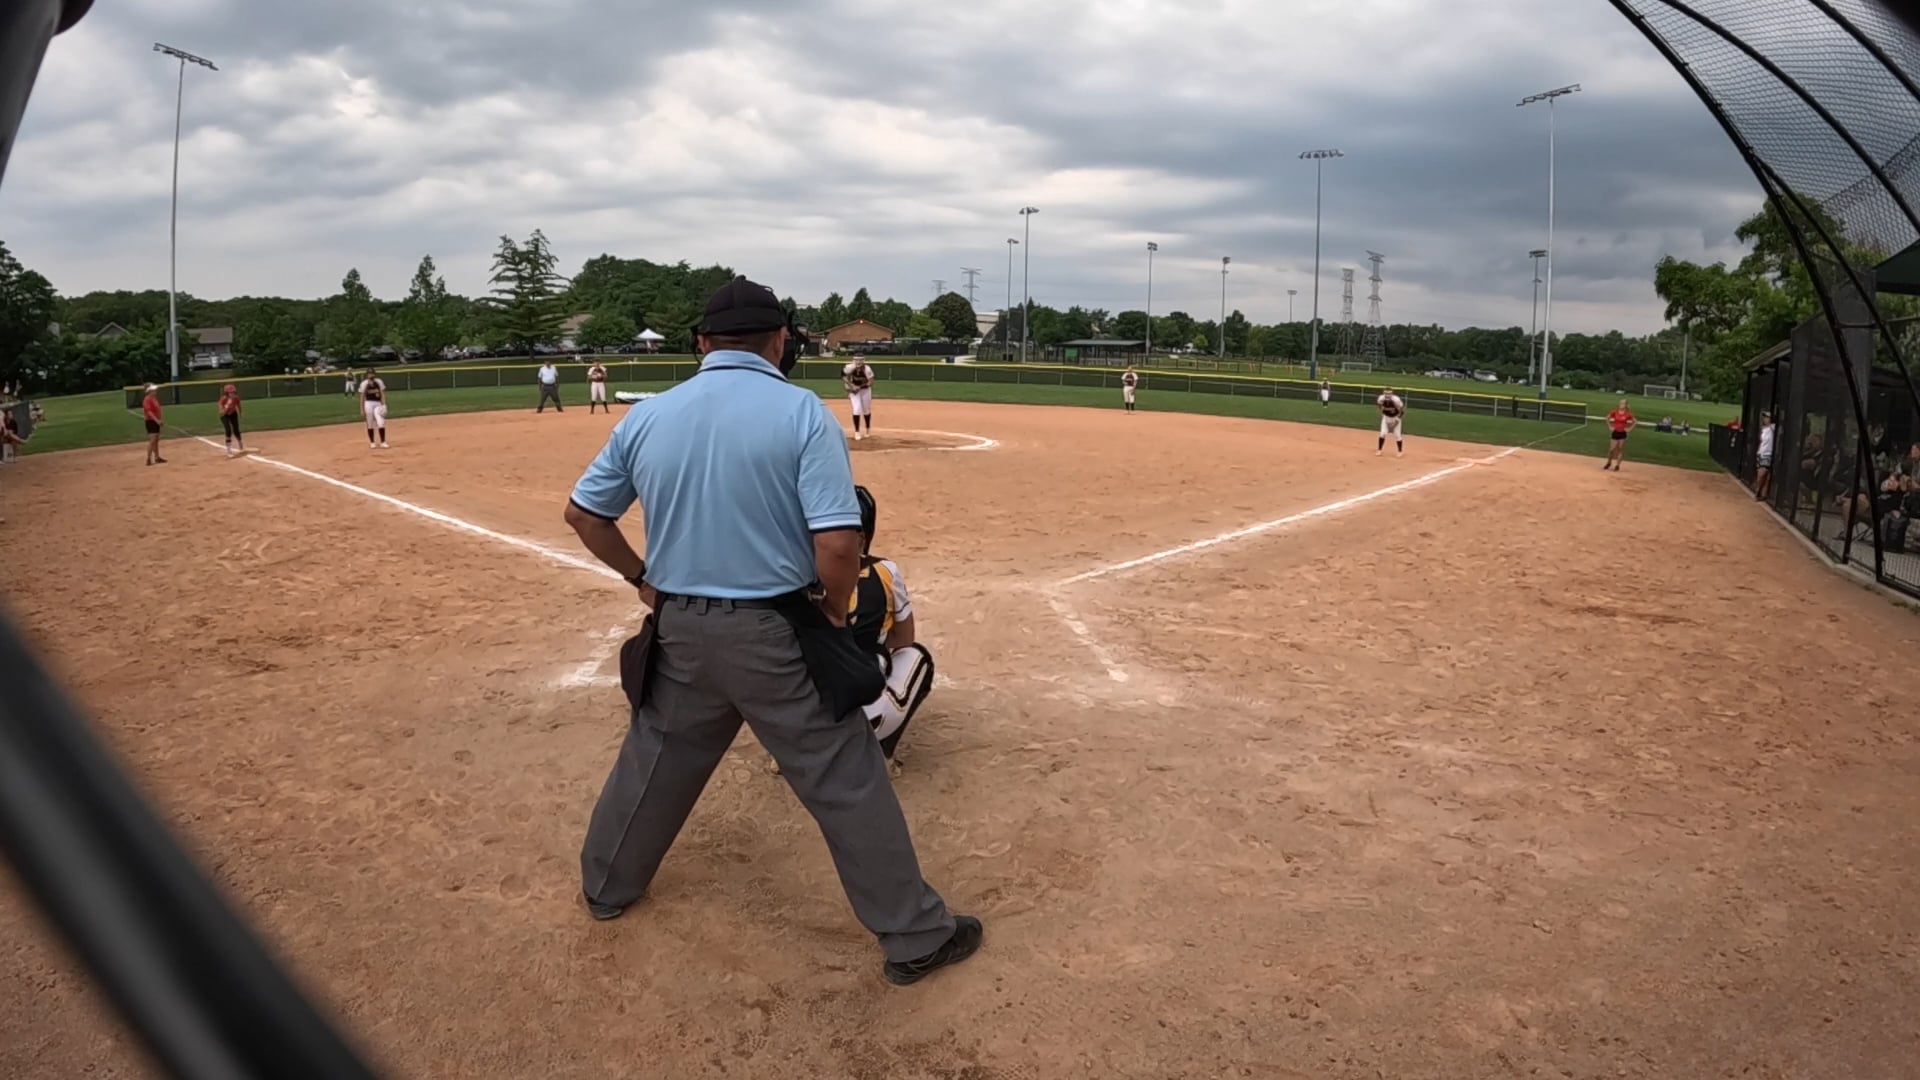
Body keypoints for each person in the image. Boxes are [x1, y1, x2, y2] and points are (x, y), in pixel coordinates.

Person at [564, 276, 979, 986]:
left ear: (701, 342)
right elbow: (839, 543)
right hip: (774, 629)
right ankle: (915, 937)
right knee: (846, 776)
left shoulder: (648, 416)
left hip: (680, 626)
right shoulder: (801, 412)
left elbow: (584, 516)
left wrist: (642, 578)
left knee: (657, 757)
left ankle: (606, 885)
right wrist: (834, 615)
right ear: (781, 340)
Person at [848, 486, 935, 765]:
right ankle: (881, 753)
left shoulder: (799, 572)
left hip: (795, 723)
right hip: (857, 721)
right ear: (863, 536)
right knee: (917, 656)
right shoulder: (885, 570)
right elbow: (904, 638)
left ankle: (786, 751)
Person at [843, 356, 875, 440]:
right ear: (853, 360)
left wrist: (859, 387)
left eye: (860, 360)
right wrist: (850, 386)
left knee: (866, 410)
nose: (858, 362)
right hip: (854, 391)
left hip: (865, 390)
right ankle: (857, 432)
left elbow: (871, 381)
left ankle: (867, 428)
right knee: (856, 409)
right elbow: (844, 376)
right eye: (856, 360)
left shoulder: (867, 369)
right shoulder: (849, 367)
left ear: (864, 361)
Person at [359, 369, 389, 449]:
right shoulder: (364, 383)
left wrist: (384, 405)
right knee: (370, 423)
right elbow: (362, 397)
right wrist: (362, 409)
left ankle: (383, 442)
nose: (371, 375)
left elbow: (382, 394)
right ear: (367, 375)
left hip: (377, 403)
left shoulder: (379, 382)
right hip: (368, 403)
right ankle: (372, 442)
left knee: (381, 422)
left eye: (372, 373)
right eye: (369, 373)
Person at [1604, 398, 1636, 471]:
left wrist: (1629, 429)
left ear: (1626, 405)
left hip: (1622, 433)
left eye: (1623, 403)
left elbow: (1635, 421)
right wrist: (1610, 426)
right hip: (1615, 432)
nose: (1621, 405)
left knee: (1620, 449)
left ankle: (1617, 465)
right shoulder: (1615, 412)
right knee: (1611, 449)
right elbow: (1607, 418)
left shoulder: (1628, 414)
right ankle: (1609, 462)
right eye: (1620, 403)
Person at [217, 383, 246, 456]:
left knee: (236, 429)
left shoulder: (236, 398)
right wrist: (227, 406)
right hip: (224, 416)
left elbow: (238, 405)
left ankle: (240, 443)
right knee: (228, 430)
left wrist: (240, 413)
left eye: (233, 392)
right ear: (227, 393)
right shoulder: (223, 399)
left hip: (233, 414)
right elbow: (221, 413)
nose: (233, 393)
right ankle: (229, 450)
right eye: (231, 392)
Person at [1375, 387, 1405, 457]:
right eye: (1386, 393)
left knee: (1397, 435)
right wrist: (1381, 412)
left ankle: (1400, 451)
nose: (1387, 395)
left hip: (1395, 418)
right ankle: (1379, 450)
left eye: (1389, 393)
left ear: (1392, 394)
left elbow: (1402, 410)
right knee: (1382, 434)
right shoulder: (1381, 398)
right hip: (1386, 418)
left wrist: (1398, 418)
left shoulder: (1396, 400)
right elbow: (1379, 405)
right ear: (1383, 393)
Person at [141, 384, 167, 466]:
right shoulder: (147, 399)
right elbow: (149, 412)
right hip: (151, 421)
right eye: (153, 390)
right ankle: (148, 459)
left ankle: (157, 457)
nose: (155, 391)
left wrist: (160, 420)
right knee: (152, 440)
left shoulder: (154, 398)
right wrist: (157, 420)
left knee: (156, 440)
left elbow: (157, 410)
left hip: (156, 421)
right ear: (149, 391)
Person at [1754, 413, 1776, 501]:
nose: (1765, 419)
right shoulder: (1763, 429)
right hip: (1761, 453)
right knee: (1763, 475)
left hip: (1768, 454)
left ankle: (1758, 491)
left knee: (1762, 473)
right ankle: (1763, 494)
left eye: (1767, 417)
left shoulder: (1773, 427)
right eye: (1764, 417)